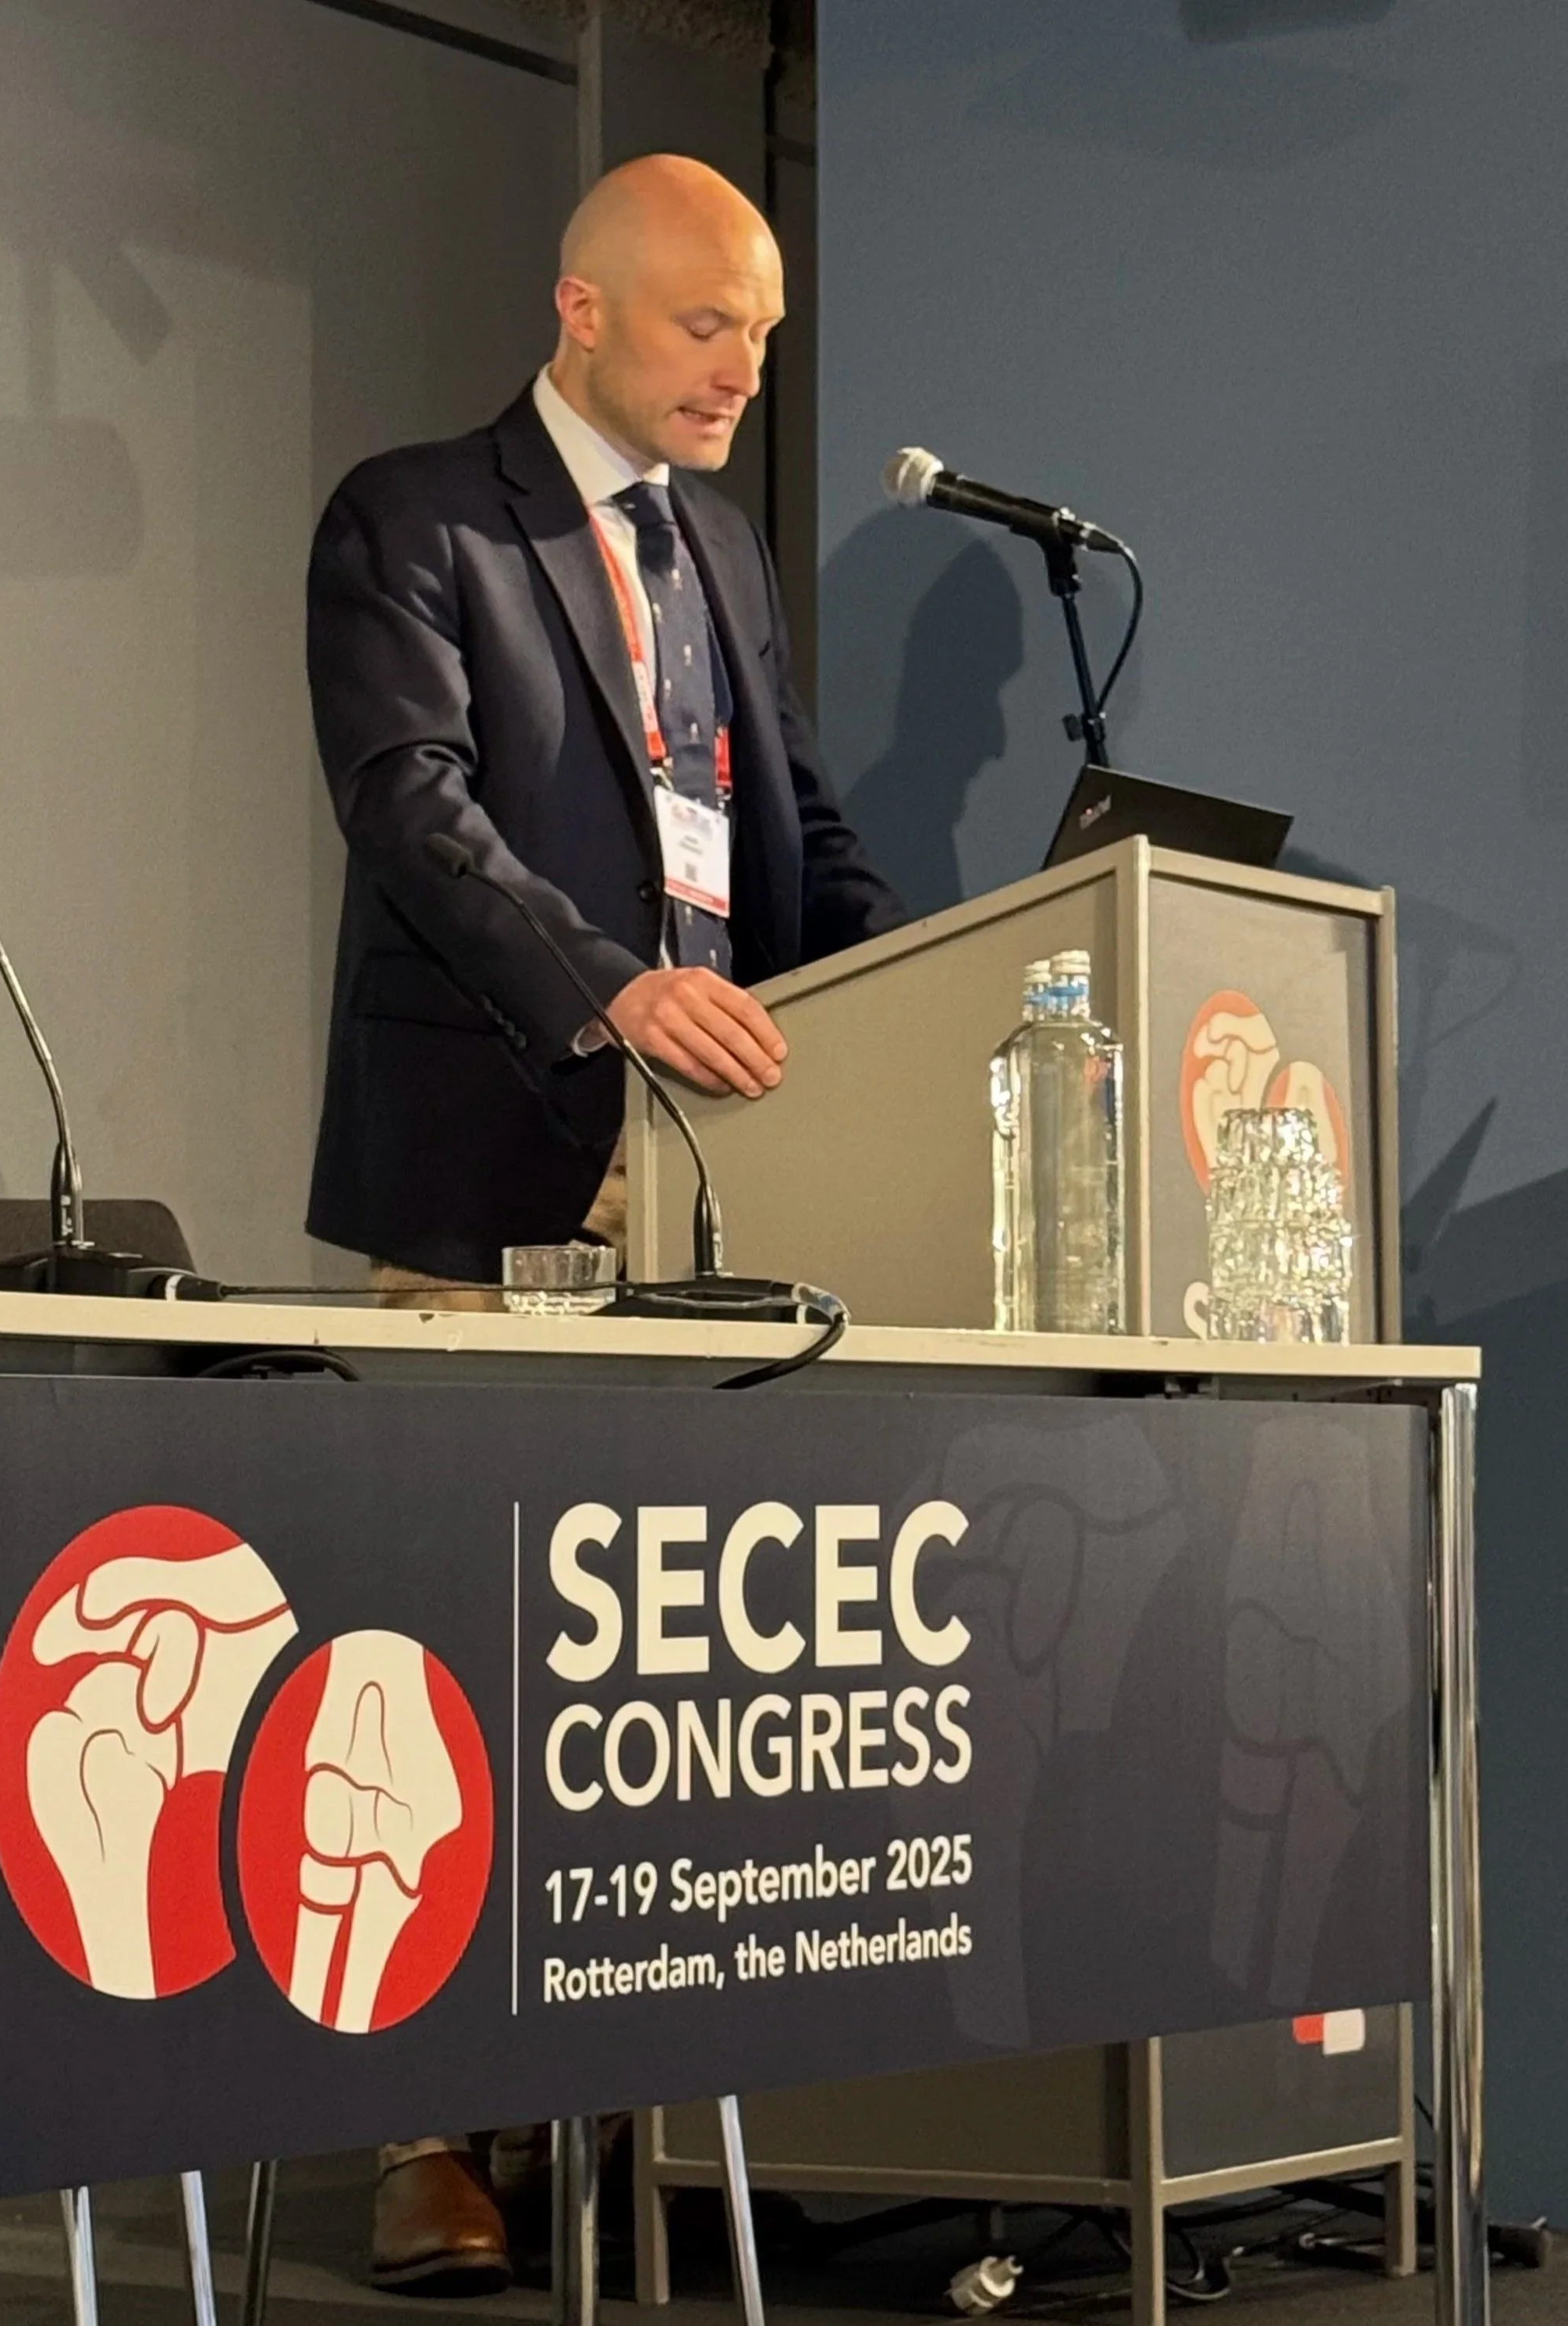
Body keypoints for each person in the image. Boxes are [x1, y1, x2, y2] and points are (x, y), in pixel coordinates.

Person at [305, 152, 904, 2293]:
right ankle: (416, 2142)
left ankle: (648, 2126)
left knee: (659, 1681)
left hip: (705, 1200)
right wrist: (600, 980)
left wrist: (936, 993)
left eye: (762, 333)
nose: (744, 369)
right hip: (485, 1177)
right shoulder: (412, 517)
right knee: (451, 1669)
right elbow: (411, 804)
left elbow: (795, 827)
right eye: (703, 327)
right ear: (578, 312)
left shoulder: (721, 546)